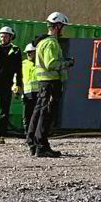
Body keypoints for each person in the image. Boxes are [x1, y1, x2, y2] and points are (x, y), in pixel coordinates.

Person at [29, 12, 74, 157]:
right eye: (63, 27)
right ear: (58, 26)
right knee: (46, 114)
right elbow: (51, 64)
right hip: (50, 83)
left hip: (44, 83)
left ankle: (33, 143)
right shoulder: (51, 43)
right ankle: (41, 146)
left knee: (39, 112)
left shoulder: (43, 42)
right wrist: (68, 62)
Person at [21, 40, 40, 151]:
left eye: (31, 52)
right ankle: (28, 137)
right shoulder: (23, 64)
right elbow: (18, 76)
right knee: (26, 117)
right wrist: (15, 86)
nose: (28, 54)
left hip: (38, 94)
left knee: (36, 117)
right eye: (27, 52)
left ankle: (34, 137)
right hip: (27, 94)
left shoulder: (40, 64)